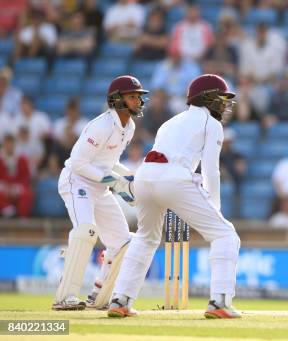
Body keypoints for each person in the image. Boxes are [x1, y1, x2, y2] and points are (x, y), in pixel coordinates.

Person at [108, 74, 241, 319]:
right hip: (174, 178)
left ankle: (120, 299)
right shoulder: (212, 125)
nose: (224, 104)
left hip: (144, 177)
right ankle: (220, 302)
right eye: (220, 98)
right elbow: (211, 170)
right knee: (225, 234)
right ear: (207, 98)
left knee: (146, 238)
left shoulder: (171, 122)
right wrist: (215, 207)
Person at [52, 75, 148, 311]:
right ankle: (65, 296)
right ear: (117, 99)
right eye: (132, 96)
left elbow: (107, 163)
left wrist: (130, 181)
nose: (137, 100)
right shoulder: (102, 125)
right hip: (77, 181)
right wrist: (115, 182)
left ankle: (99, 295)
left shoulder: (130, 127)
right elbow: (78, 163)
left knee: (123, 242)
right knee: (86, 230)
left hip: (99, 186)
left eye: (138, 97)